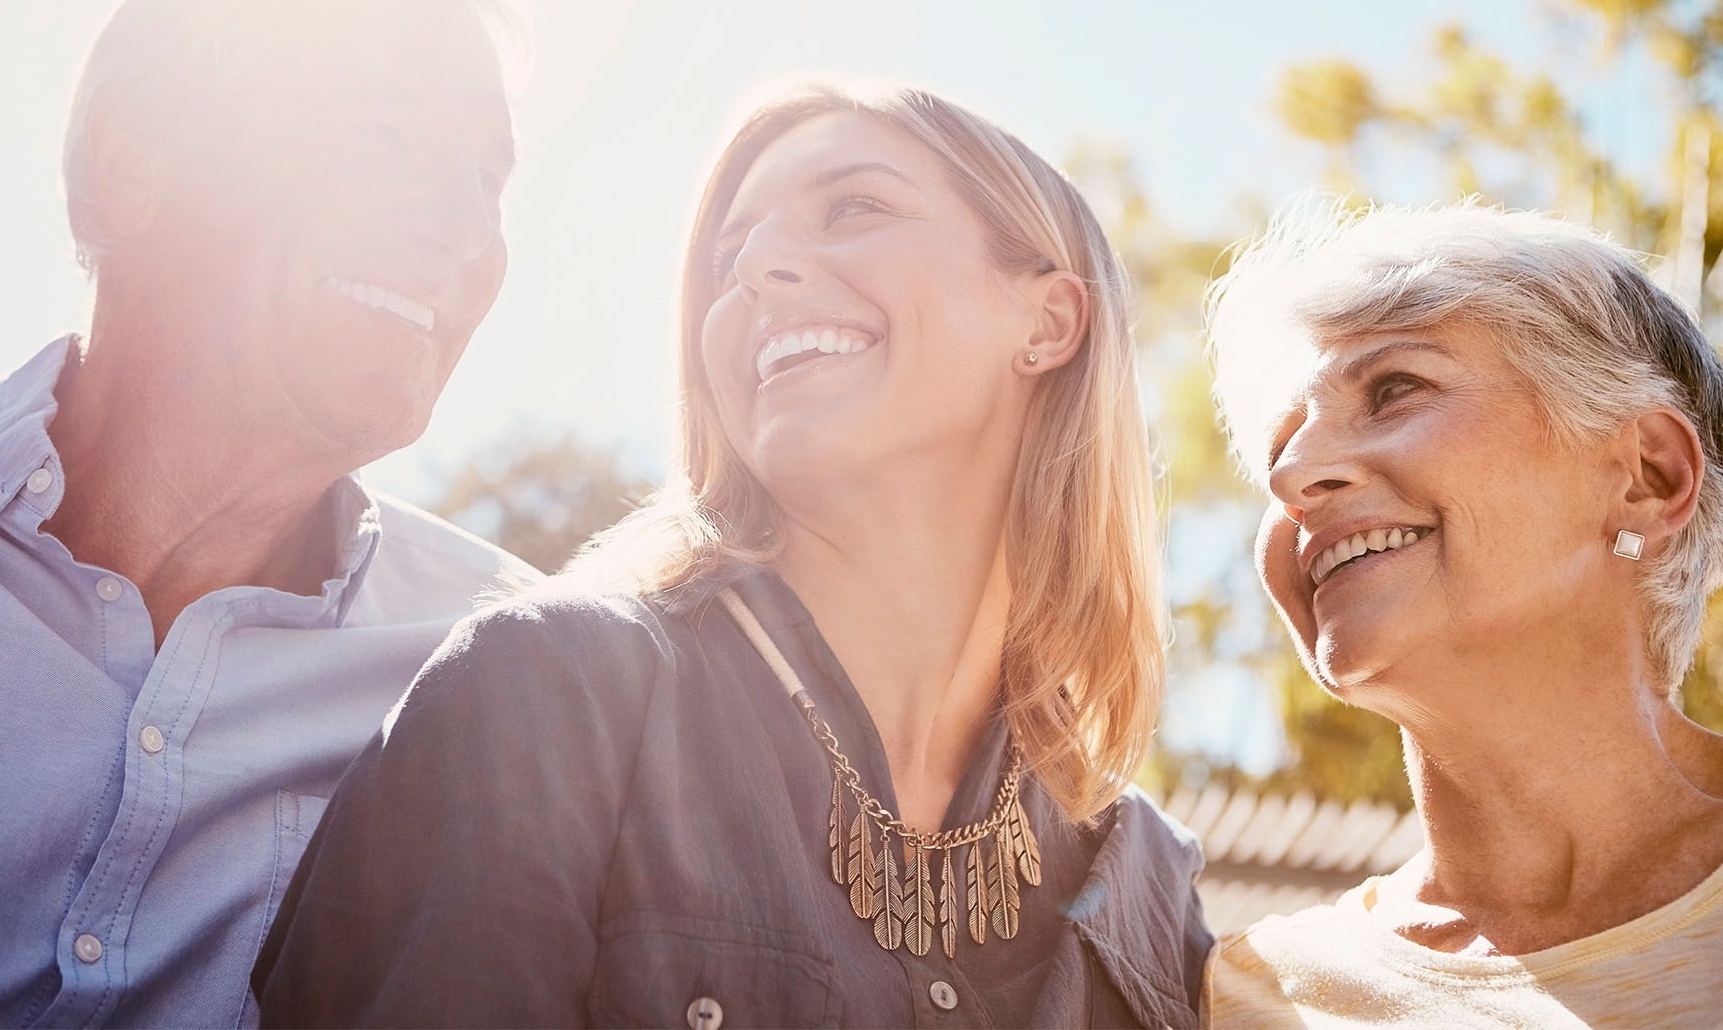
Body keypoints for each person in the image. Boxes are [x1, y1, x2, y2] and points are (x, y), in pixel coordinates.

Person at [253, 80, 1211, 1027]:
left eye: (855, 206)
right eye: (729, 252)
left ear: (1046, 322)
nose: (757, 266)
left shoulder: (1146, 884)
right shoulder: (542, 698)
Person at [0, 0, 541, 1028]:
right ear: (131, 164)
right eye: (382, 136)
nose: (463, 228)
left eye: (487, 182)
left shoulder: (513, 664)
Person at [1197, 199, 1723, 1026]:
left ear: (1649, 476)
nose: (1291, 478)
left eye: (1395, 389)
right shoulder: (1252, 995)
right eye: (1281, 448)